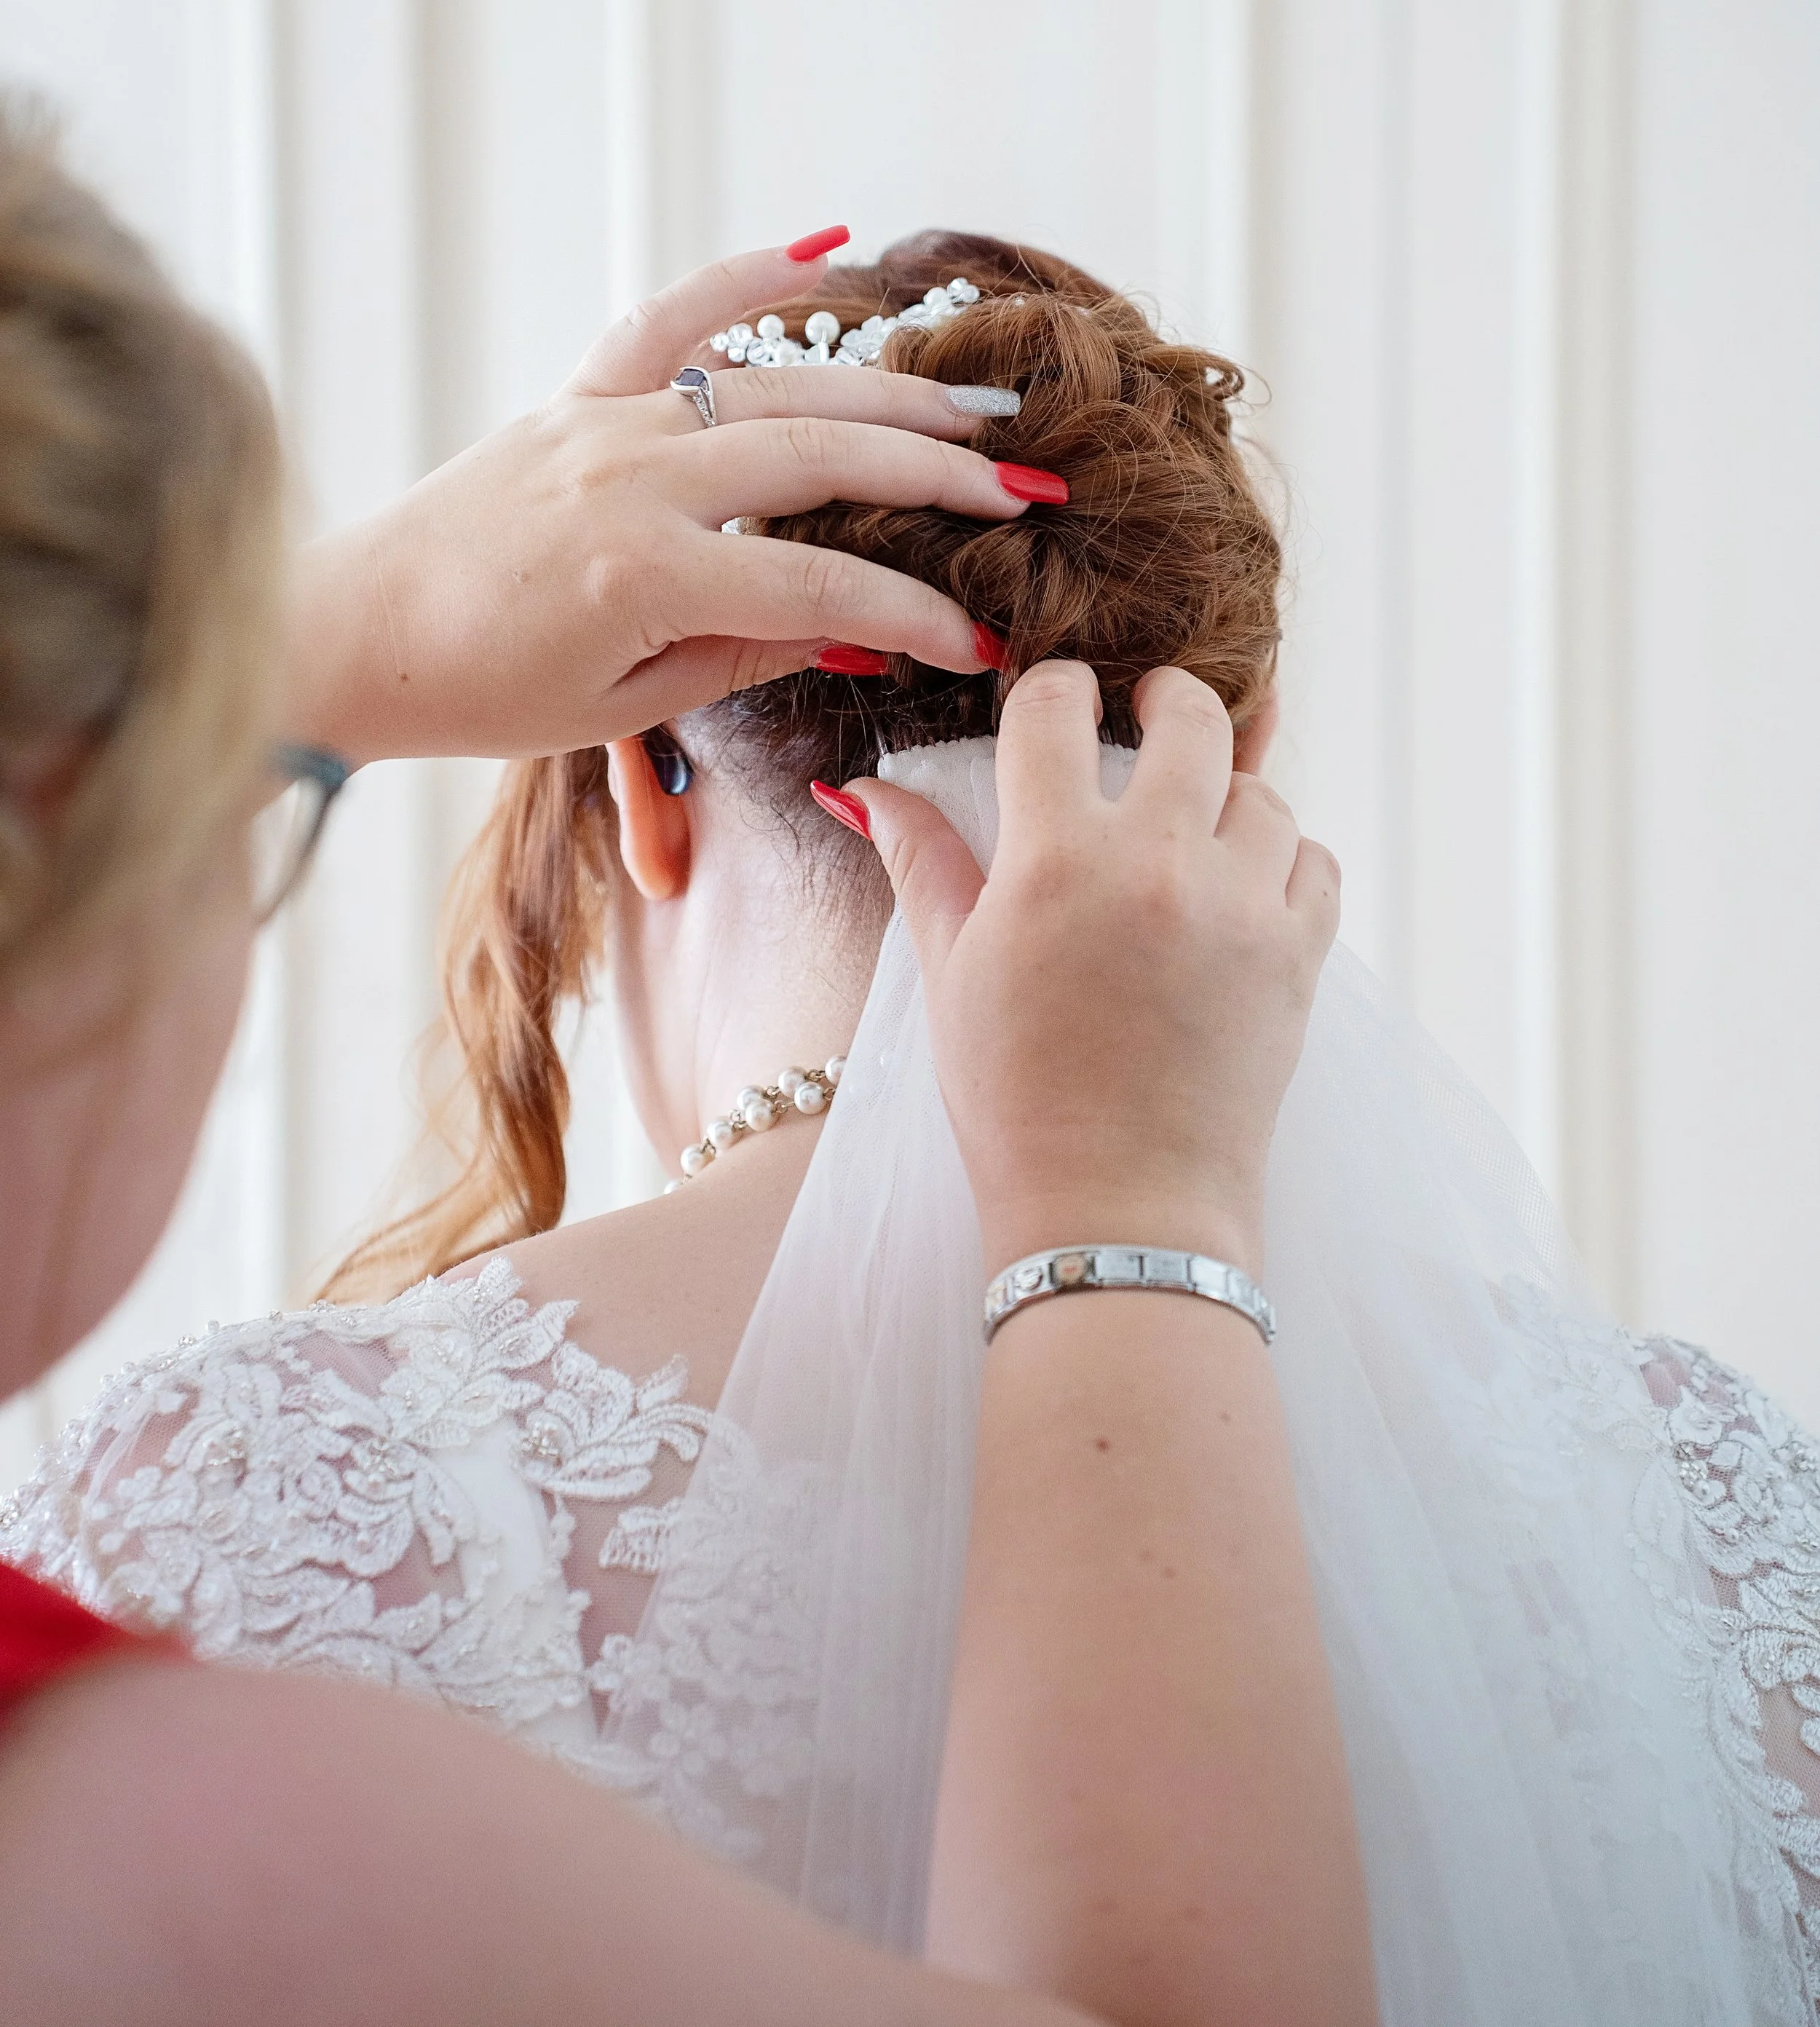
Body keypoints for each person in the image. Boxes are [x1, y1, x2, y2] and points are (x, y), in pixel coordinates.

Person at [19, 221, 1820, 2023]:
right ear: (1231, 761)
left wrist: (294, 651)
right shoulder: (1715, 1515)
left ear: (636, 782)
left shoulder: (271, 1499)